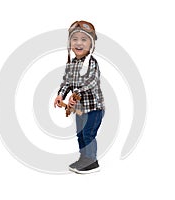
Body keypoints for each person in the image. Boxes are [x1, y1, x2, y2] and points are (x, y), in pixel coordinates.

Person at [53, 20, 105, 174]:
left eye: (84, 39)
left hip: (93, 108)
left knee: (88, 134)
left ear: (91, 45)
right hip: (80, 109)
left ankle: (92, 161)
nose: (79, 43)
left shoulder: (91, 63)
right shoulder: (71, 64)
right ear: (69, 43)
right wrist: (60, 95)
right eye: (75, 39)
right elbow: (67, 82)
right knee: (80, 133)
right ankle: (84, 157)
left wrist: (76, 94)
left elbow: (91, 81)